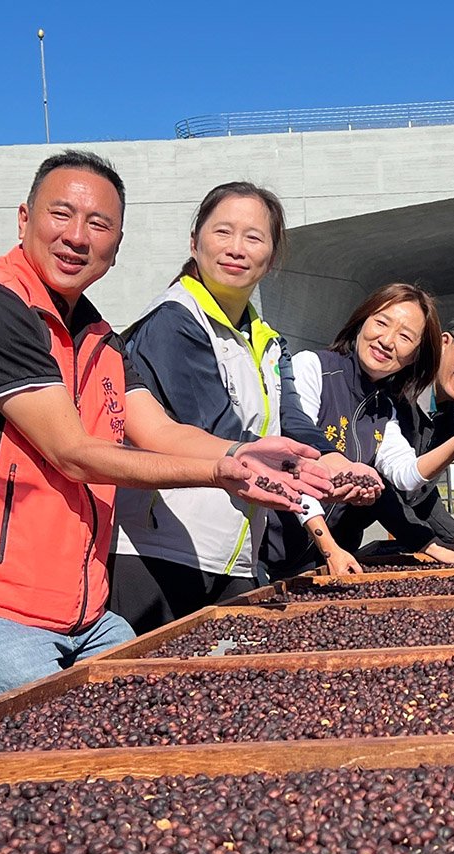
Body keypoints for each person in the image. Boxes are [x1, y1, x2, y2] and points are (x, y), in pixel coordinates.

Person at [0, 151, 332, 708]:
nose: (76, 236)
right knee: (54, 762)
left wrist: (246, 452)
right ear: (24, 219)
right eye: (60, 214)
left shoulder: (100, 337)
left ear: (117, 247)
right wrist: (218, 472)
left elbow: (161, 430)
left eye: (99, 224)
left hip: (80, 610)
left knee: (151, 727)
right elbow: (74, 453)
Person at [109, 182, 380, 634]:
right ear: (193, 242)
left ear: (272, 260)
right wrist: (307, 473)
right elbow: (213, 427)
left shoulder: (267, 340)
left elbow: (293, 420)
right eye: (223, 232)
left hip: (232, 555)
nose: (236, 248)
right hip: (159, 552)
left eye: (254, 237)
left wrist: (334, 462)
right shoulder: (173, 321)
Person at [263, 285, 454, 577]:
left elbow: (407, 477)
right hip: (271, 551)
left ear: (415, 354)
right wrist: (329, 546)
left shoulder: (386, 405)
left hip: (323, 560)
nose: (387, 341)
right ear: (361, 322)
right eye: (381, 323)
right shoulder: (313, 367)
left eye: (405, 336)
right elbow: (295, 465)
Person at [349, 313, 454, 564]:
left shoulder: (447, 413)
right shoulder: (392, 390)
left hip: (341, 546)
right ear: (443, 342)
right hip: (302, 532)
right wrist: (430, 545)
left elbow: (420, 491)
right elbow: (378, 481)